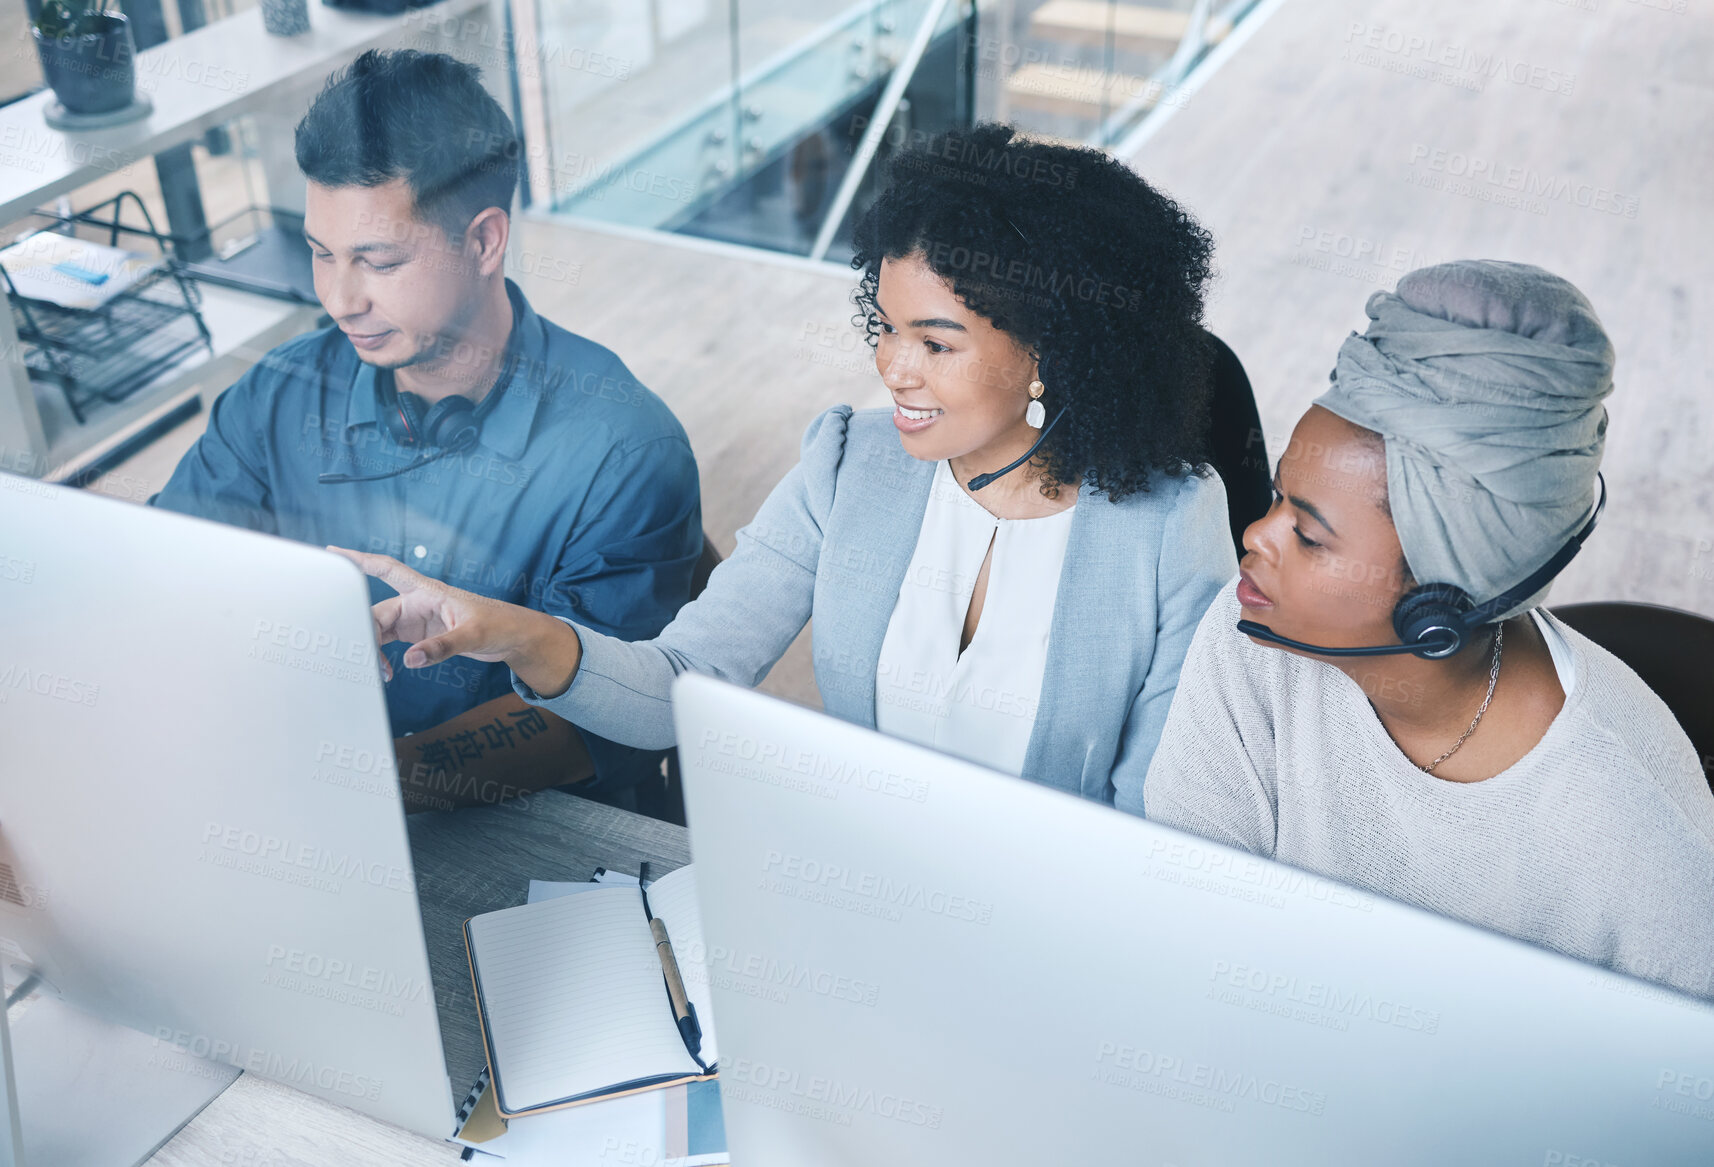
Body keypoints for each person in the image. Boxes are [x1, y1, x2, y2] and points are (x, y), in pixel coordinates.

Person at [334, 123, 1237, 814]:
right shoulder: (852, 461)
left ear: (1052, 349)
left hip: (1056, 937)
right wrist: (507, 631)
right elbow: (678, 683)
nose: (893, 367)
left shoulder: (1167, 522)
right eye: (885, 326)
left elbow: (1152, 823)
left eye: (936, 341)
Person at [1143, 260, 1714, 998]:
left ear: (1440, 609)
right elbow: (1182, 917)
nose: (1256, 534)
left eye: (1309, 536)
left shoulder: (1631, 837)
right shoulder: (1252, 626)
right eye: (1281, 495)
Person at [151, 50, 702, 811]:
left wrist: (363, 783)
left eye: (377, 262)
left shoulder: (623, 452)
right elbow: (161, 576)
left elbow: (607, 722)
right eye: (320, 253)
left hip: (539, 842)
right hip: (309, 797)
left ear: (483, 242)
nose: (340, 298)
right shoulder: (276, 394)